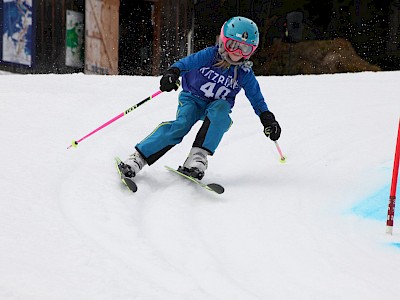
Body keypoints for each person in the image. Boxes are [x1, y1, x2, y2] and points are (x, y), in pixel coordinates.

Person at [119, 16, 282, 180]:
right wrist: (172, 73)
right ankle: (138, 158)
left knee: (221, 112)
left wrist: (267, 118)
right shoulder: (210, 55)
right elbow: (185, 64)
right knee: (181, 125)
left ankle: (197, 158)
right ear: (224, 41)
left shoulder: (244, 73)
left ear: (251, 51)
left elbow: (257, 98)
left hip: (216, 105)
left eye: (244, 49)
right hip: (192, 98)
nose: (236, 53)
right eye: (233, 45)